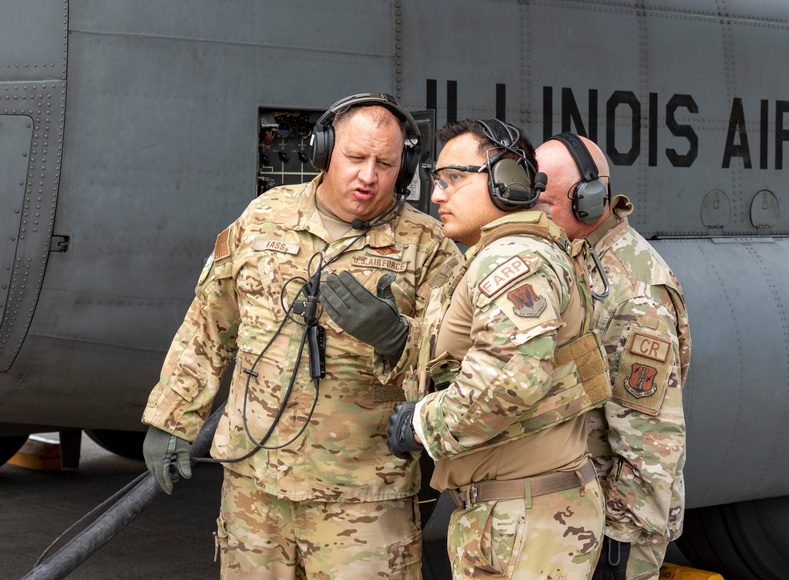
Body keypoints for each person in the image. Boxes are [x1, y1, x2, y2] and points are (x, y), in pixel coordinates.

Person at [140, 92, 460, 579]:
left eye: (385, 163)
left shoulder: (427, 247)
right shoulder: (264, 217)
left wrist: (401, 338)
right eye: (355, 158)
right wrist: (171, 417)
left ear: (406, 166)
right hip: (255, 486)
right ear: (325, 150)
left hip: (363, 495)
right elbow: (210, 323)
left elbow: (460, 363)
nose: (368, 176)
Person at [385, 119, 611, 579]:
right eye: (435, 180)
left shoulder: (514, 260)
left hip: (526, 522)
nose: (436, 195)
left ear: (506, 178)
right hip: (514, 516)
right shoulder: (499, 254)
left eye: (452, 179)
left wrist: (421, 424)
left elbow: (510, 378)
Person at [535, 132, 692, 580]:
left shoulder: (633, 295)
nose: (534, 214)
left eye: (545, 203)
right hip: (585, 514)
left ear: (588, 201)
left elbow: (651, 442)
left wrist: (615, 548)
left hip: (618, 528)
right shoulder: (579, 256)